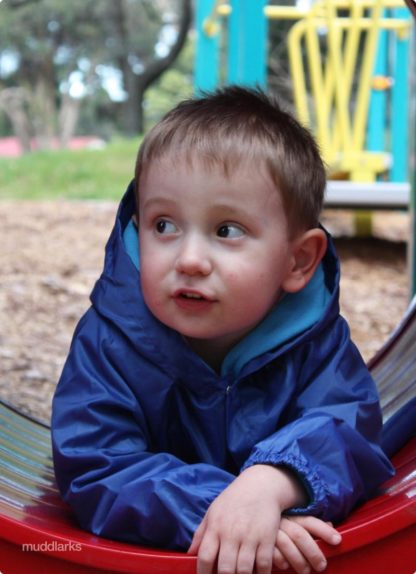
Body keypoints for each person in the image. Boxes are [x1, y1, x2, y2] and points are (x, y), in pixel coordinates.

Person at [51, 86, 394, 574]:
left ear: (298, 261)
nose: (189, 259)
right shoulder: (111, 339)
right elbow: (97, 462)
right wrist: (226, 508)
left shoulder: (314, 342)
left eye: (226, 230)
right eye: (164, 225)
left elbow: (349, 426)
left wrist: (273, 482)